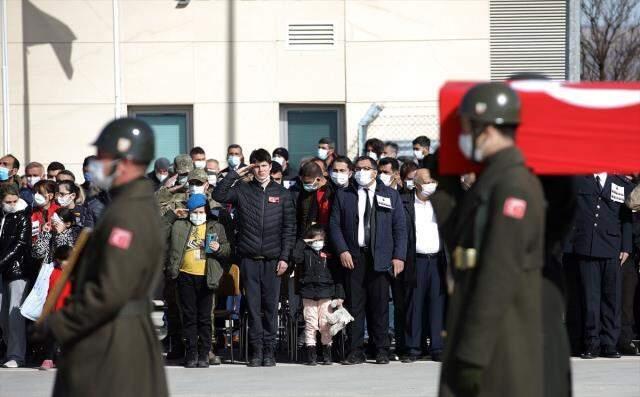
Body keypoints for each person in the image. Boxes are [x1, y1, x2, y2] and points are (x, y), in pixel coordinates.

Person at [31, 117, 168, 396]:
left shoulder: (128, 214)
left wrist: (60, 323)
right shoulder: (129, 206)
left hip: (112, 347)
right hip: (114, 338)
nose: (98, 162)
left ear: (126, 159)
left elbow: (110, 291)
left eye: (103, 155)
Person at [435, 82, 545, 397]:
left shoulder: (513, 184)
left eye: (467, 127)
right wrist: (445, 189)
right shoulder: (492, 177)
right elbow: (462, 244)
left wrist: (473, 353)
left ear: (485, 128)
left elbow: (499, 271)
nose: (463, 135)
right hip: (481, 335)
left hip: (498, 344)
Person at [212, 148, 296, 367]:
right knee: (252, 306)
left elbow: (289, 229)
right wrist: (236, 173)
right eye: (256, 166)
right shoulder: (242, 189)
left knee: (270, 307)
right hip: (249, 258)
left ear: (270, 166)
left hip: (273, 260)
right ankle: (256, 351)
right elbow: (218, 195)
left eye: (264, 165)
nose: (260, 170)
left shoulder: (283, 194)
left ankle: (270, 351)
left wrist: (285, 258)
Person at [330, 155, 407, 365]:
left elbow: (400, 228)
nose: (361, 172)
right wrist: (342, 250)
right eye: (358, 168)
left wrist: (399, 256)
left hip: (380, 257)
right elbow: (335, 226)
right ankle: (355, 350)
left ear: (374, 171)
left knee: (380, 305)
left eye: (366, 168)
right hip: (354, 257)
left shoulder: (390, 195)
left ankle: (381, 348)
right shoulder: (344, 194)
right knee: (355, 305)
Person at [564, 172, 633, 359]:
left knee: (612, 298)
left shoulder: (619, 182)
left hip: (612, 247)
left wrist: (626, 246)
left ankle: (609, 343)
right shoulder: (579, 179)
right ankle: (591, 343)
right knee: (590, 299)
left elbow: (626, 217)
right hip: (586, 244)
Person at [164, 194, 230, 368]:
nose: (198, 215)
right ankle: (191, 352)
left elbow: (227, 250)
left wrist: (218, 248)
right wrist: (171, 214)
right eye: (194, 212)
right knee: (189, 316)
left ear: (206, 211)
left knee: (205, 317)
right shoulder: (180, 225)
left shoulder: (215, 227)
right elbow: (159, 232)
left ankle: (204, 353)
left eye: (201, 211)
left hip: (206, 276)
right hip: (185, 274)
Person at [401, 169, 445, 363]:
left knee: (437, 304)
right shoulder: (405, 203)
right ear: (416, 183)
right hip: (416, 260)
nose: (431, 184)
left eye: (434, 180)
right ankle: (413, 347)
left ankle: (438, 347)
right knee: (415, 305)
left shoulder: (441, 203)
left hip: (438, 260)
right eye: (428, 181)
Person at [293, 225, 345, 366]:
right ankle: (311, 355)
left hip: (326, 293)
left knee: (325, 324)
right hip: (308, 294)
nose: (318, 243)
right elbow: (295, 257)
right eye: (314, 240)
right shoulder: (304, 252)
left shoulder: (329, 254)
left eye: (320, 240)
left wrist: (339, 295)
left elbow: (337, 274)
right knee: (310, 324)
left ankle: (327, 354)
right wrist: (303, 241)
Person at [0, 185, 31, 368]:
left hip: (17, 270)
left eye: (14, 201)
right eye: (7, 202)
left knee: (14, 316)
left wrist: (1, 262)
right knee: (2, 316)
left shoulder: (22, 217)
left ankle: (16, 355)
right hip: (2, 271)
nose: (12, 205)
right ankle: (7, 349)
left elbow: (20, 244)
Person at [39, 245, 73, 371]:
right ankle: (48, 359)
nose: (65, 263)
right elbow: (47, 291)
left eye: (68, 260)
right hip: (53, 310)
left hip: (68, 311)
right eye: (63, 260)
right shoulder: (53, 272)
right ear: (57, 260)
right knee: (51, 336)